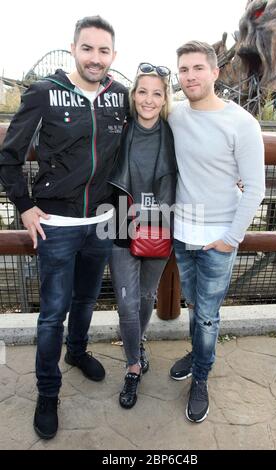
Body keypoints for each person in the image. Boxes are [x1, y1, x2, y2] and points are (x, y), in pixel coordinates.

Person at [0, 15, 128, 439]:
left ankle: (77, 353)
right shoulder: (44, 93)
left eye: (104, 50)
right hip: (56, 225)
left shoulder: (121, 96)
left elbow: (149, 136)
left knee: (88, 299)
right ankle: (48, 393)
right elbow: (9, 155)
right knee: (53, 314)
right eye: (88, 48)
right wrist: (24, 206)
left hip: (103, 223)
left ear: (113, 54)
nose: (96, 58)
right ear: (73, 48)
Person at [168, 41, 265, 423]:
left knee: (208, 316)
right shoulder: (173, 116)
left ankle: (201, 379)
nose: (189, 76)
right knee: (195, 307)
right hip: (182, 232)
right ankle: (197, 353)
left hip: (218, 240)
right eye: (183, 70)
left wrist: (230, 238)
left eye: (196, 68)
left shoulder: (241, 122)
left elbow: (255, 189)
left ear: (215, 72)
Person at [108, 63, 177, 409]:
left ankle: (138, 342)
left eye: (157, 93)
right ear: (133, 95)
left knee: (146, 294)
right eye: (142, 91)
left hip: (161, 220)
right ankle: (134, 365)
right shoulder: (117, 129)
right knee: (125, 301)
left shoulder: (176, 132)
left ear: (165, 99)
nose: (148, 100)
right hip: (122, 217)